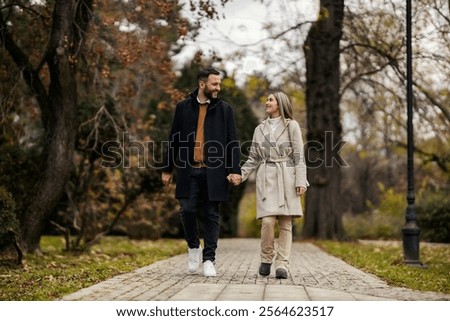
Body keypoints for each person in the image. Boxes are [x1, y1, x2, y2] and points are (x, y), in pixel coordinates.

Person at [161, 67, 241, 277]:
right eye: (215, 84)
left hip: (214, 172)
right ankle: (193, 247)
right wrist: (167, 168)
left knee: (211, 215)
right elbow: (173, 140)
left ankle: (209, 260)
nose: (218, 88)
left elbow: (233, 142)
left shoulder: (225, 110)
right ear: (202, 84)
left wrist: (235, 169)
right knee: (186, 210)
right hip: (189, 171)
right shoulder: (183, 108)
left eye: (219, 84)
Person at [229, 91, 308, 279]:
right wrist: (241, 174)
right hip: (266, 178)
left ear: (280, 103)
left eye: (271, 100)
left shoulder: (292, 126)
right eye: (267, 99)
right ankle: (266, 258)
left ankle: (282, 264)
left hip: (287, 176)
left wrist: (300, 181)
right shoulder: (260, 129)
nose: (267, 102)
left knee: (286, 223)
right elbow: (253, 157)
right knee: (267, 222)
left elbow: (299, 156)